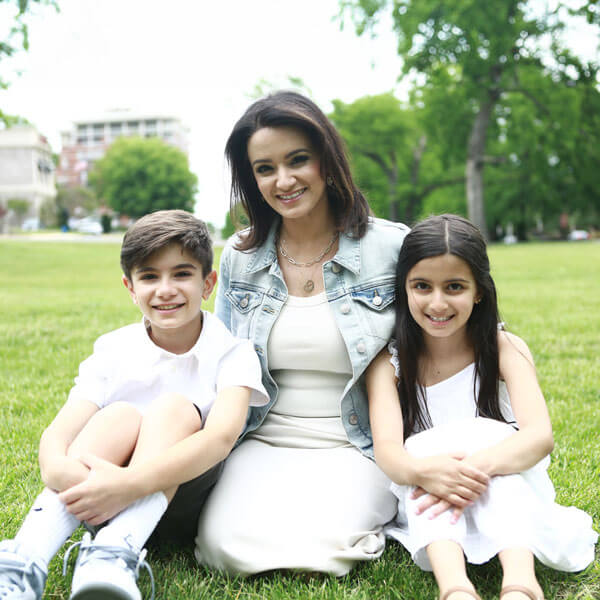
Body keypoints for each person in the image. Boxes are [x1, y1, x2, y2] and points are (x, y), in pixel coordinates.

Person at [0, 210, 268, 600]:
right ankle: (26, 558)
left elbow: (219, 439)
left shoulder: (232, 352)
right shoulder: (114, 348)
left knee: (174, 408)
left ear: (208, 283)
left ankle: (114, 554)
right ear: (129, 287)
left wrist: (128, 484)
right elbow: (60, 434)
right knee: (119, 415)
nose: (165, 289)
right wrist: (58, 469)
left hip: (181, 500)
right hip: (97, 498)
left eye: (181, 274)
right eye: (149, 276)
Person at [194, 91, 410, 576]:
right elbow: (221, 363)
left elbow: (457, 336)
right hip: (263, 440)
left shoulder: (391, 246)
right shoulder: (240, 259)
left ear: (326, 161)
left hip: (359, 445)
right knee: (224, 548)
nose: (284, 180)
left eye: (298, 161)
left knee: (326, 550)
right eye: (265, 168)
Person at [366, 214, 597, 600]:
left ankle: (521, 584)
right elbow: (389, 451)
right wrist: (426, 471)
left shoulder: (505, 348)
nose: (437, 302)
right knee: (423, 448)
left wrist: (474, 469)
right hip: (430, 489)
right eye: (422, 286)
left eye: (454, 287)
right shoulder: (389, 365)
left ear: (478, 291)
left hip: (502, 481)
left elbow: (539, 437)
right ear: (404, 288)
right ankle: (455, 587)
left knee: (492, 436)